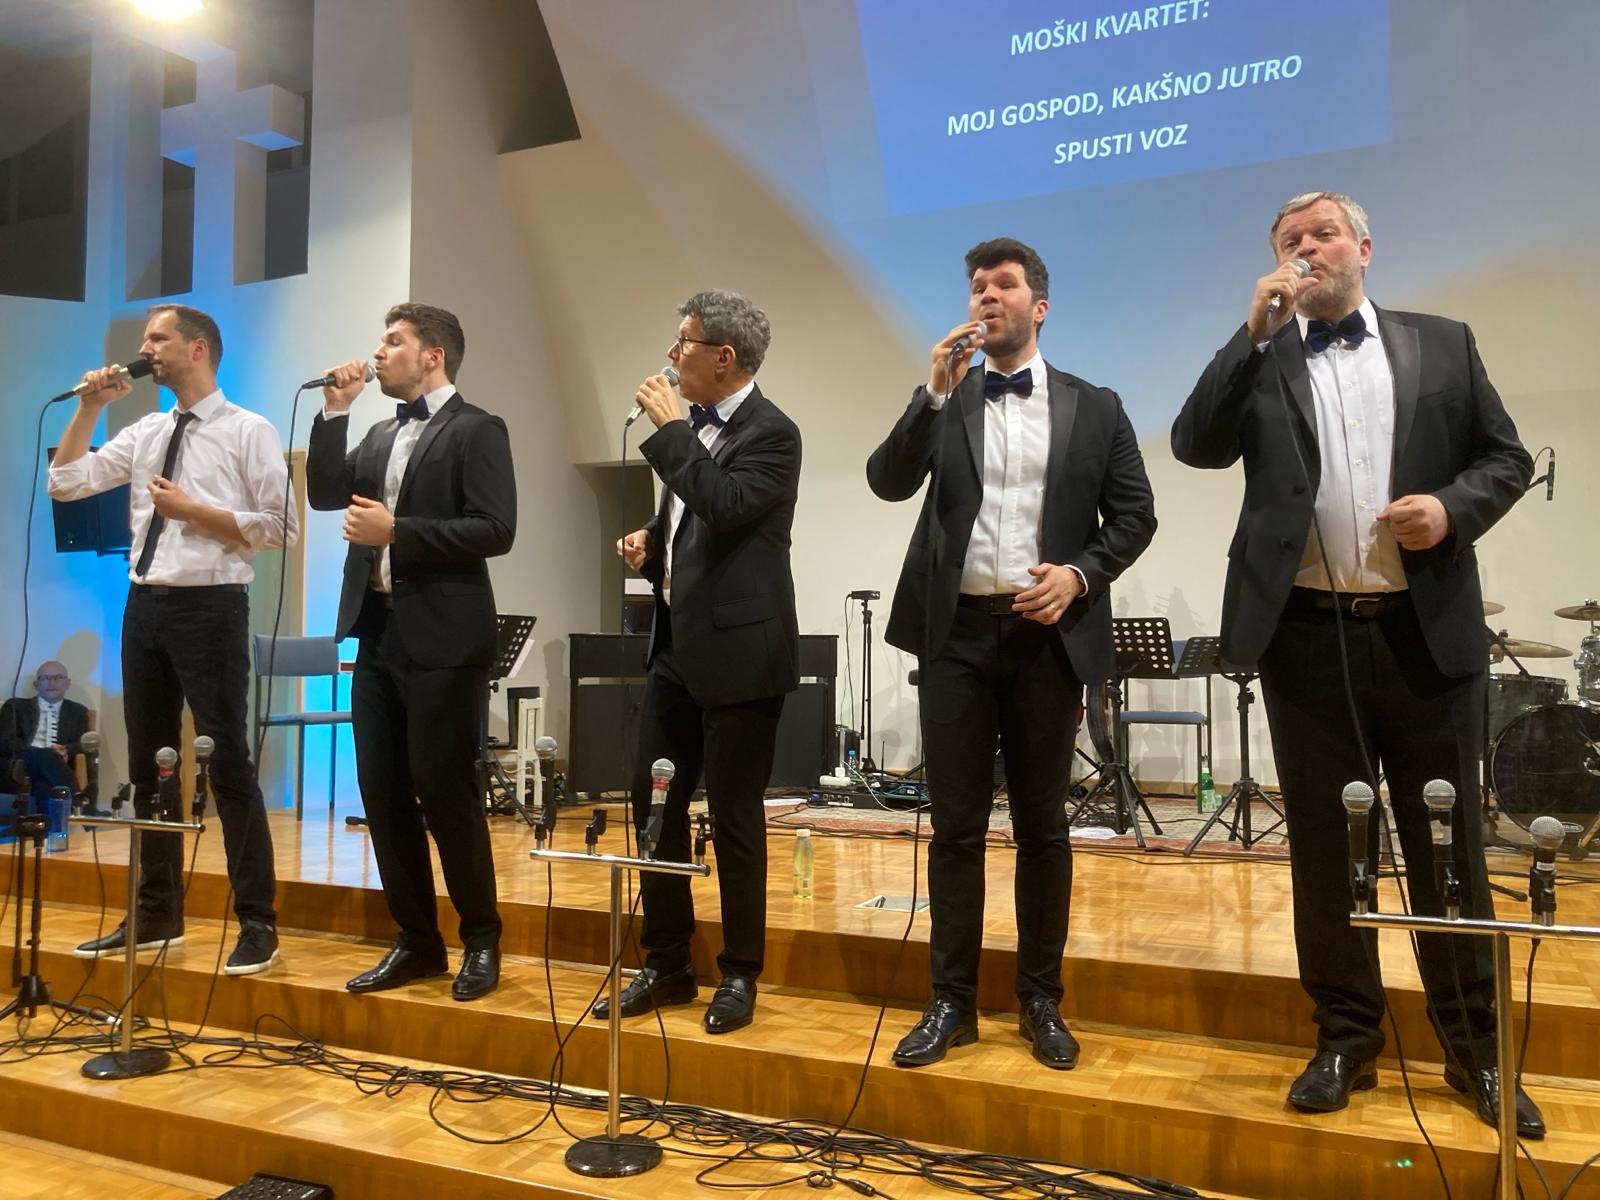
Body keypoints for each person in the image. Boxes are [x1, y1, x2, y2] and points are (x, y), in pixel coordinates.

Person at [1170, 191, 1543, 1136]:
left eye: (1323, 234)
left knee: (1447, 849)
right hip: (1306, 637)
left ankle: (1475, 1050)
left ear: (1364, 248)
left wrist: (1452, 509)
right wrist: (1250, 335)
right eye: (1289, 240)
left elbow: (1505, 459)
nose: (1306, 250)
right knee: (1328, 853)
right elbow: (1194, 445)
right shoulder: (1262, 356)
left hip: (1425, 636)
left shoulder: (1442, 342)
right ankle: (1344, 1037)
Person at [867, 238, 1157, 1070]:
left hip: (1045, 639)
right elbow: (887, 481)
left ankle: (1041, 999)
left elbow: (1134, 516)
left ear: (1040, 306)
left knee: (1043, 827)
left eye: (1004, 284)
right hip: (956, 636)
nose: (986, 296)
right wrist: (930, 395)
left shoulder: (1096, 406)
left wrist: (1079, 574)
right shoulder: (949, 400)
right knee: (954, 828)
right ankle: (951, 1001)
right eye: (976, 286)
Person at [50, 304, 296, 976]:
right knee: (149, 765)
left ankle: (257, 923)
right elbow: (65, 484)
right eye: (143, 339)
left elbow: (282, 527)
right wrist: (90, 409)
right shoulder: (149, 430)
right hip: (144, 607)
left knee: (228, 764)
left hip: (211, 607)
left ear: (198, 348)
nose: (146, 349)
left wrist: (196, 512)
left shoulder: (248, 429)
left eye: (157, 338)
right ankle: (158, 912)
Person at [603, 289, 800, 1035]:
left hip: (744, 656)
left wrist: (670, 431)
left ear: (724, 357)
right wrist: (654, 544)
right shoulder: (691, 433)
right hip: (677, 650)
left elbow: (725, 504)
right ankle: (666, 962)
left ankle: (740, 971)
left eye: (683, 341)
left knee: (735, 816)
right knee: (651, 802)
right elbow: (696, 521)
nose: (670, 354)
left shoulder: (775, 433)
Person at [307, 303, 515, 1003]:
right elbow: (325, 493)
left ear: (433, 356)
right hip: (378, 633)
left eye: (393, 341)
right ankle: (417, 941)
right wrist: (336, 412)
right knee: (382, 791)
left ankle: (480, 939)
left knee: (446, 792)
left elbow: (495, 528)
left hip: (446, 639)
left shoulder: (477, 429)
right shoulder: (376, 433)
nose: (379, 352)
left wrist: (399, 530)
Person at [0, 662, 90, 807]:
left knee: (45, 787)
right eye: (45, 678)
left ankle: (49, 823)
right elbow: (5, 741)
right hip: (21, 765)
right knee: (47, 755)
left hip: (55, 771)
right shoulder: (15, 706)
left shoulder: (78, 711)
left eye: (58, 678)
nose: (52, 682)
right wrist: (40, 753)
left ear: (67, 683)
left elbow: (83, 744)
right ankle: (80, 803)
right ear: (36, 684)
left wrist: (66, 750)